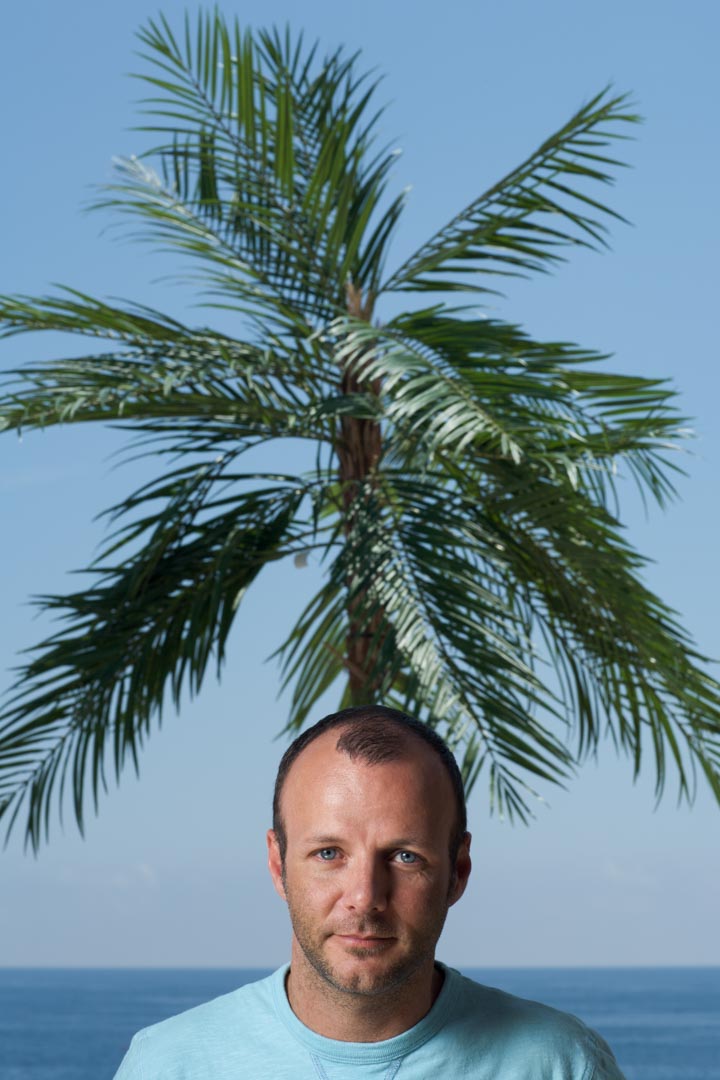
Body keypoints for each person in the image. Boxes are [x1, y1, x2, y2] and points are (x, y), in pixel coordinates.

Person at [114, 704, 626, 1078]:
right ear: (277, 864)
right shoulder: (169, 1065)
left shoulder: (560, 1064)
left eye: (405, 857)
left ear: (458, 870)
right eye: (328, 854)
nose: (364, 897)